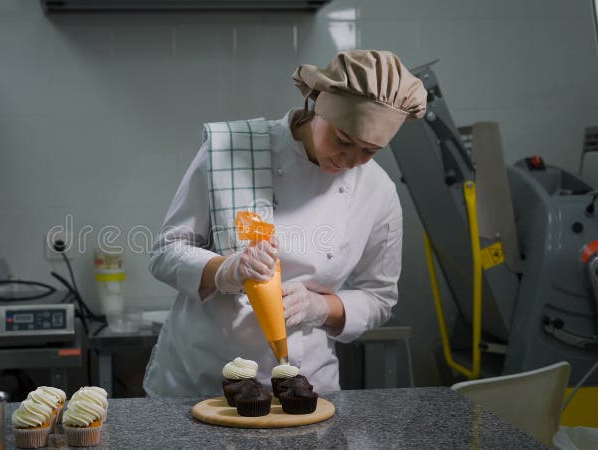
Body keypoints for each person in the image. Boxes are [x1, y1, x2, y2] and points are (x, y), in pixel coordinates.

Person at [143, 50, 427, 397]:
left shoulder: (378, 191)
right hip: (200, 380)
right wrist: (224, 269)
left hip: (303, 387)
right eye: (343, 140)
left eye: (369, 151)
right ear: (317, 104)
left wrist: (320, 307)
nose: (351, 160)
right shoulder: (230, 150)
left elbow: (379, 298)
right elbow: (165, 253)